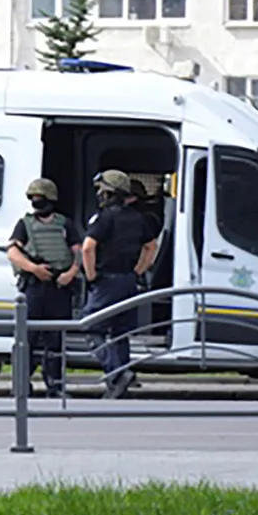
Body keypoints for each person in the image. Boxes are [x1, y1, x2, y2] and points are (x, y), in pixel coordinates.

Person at [81, 169, 159, 399]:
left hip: (107, 282)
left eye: (100, 190)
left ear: (108, 193)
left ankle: (116, 375)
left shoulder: (104, 218)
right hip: (128, 281)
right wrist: (138, 270)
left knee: (91, 327)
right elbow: (151, 246)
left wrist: (91, 274)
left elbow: (88, 247)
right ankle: (121, 380)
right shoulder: (138, 218)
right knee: (120, 333)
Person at [5, 178, 83, 399]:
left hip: (59, 287)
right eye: (34, 198)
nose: (37, 202)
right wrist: (34, 268)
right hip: (35, 287)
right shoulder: (25, 225)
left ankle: (55, 386)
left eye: (41, 198)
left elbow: (77, 250)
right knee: (27, 340)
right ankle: (21, 385)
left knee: (56, 341)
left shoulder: (64, 224)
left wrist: (71, 273)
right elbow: (13, 253)